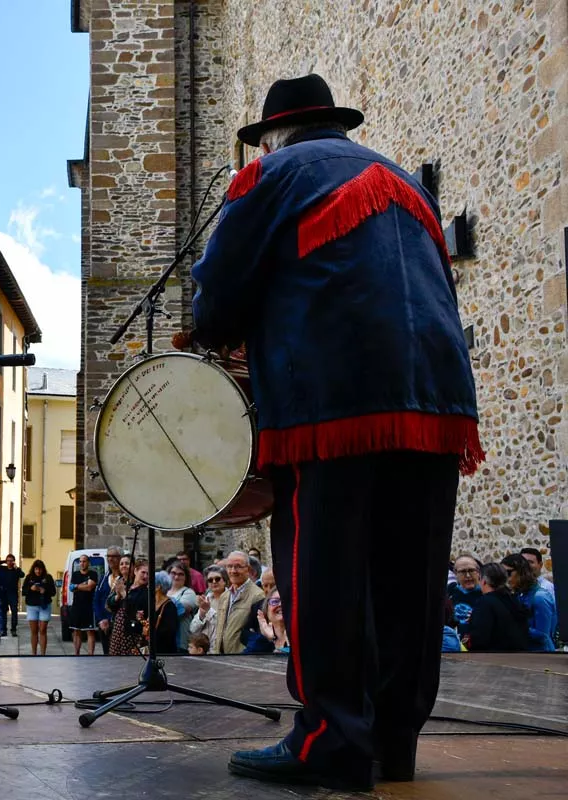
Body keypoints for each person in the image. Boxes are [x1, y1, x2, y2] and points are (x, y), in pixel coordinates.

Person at [178, 74, 484, 792]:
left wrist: (219, 330)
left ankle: (331, 742)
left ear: (274, 136)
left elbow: (216, 293)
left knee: (325, 574)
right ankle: (393, 742)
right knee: (410, 578)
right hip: (437, 399)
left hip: (333, 399)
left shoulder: (269, 176)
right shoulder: (409, 185)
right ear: (337, 126)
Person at [463, 563, 530, 652]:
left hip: (494, 657)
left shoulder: (485, 603)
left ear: (484, 581)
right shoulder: (514, 600)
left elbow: (479, 639)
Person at [501, 553, 557, 651]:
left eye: (508, 573)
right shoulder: (519, 594)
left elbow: (544, 636)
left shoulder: (540, 597)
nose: (506, 579)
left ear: (521, 572)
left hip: (541, 655)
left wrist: (513, 626)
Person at [22, 560, 56, 655]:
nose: (38, 571)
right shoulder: (29, 578)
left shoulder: (48, 577)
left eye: (40, 569)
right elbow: (23, 592)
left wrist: (44, 590)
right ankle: (34, 653)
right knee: (34, 631)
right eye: (36, 569)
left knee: (43, 630)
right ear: (33, 569)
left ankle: (43, 654)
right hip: (32, 606)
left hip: (44, 606)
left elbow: (53, 592)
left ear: (43, 569)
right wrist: (31, 588)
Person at [68, 554, 98, 655]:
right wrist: (83, 585)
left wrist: (77, 586)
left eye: (84, 561)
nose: (82, 563)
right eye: (80, 561)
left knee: (90, 631)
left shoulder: (93, 574)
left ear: (88, 563)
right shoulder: (75, 574)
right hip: (76, 606)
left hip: (89, 606)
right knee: (76, 631)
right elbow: (71, 588)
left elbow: (90, 587)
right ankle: (76, 654)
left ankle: (90, 654)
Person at [0, 554, 24, 637]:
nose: (9, 562)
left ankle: (14, 630)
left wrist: (16, 567)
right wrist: (4, 561)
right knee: (3, 613)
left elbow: (22, 575)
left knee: (14, 612)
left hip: (13, 594)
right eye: (8, 560)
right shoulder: (2, 568)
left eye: (11, 561)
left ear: (13, 562)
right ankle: (4, 630)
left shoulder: (16, 570)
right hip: (3, 594)